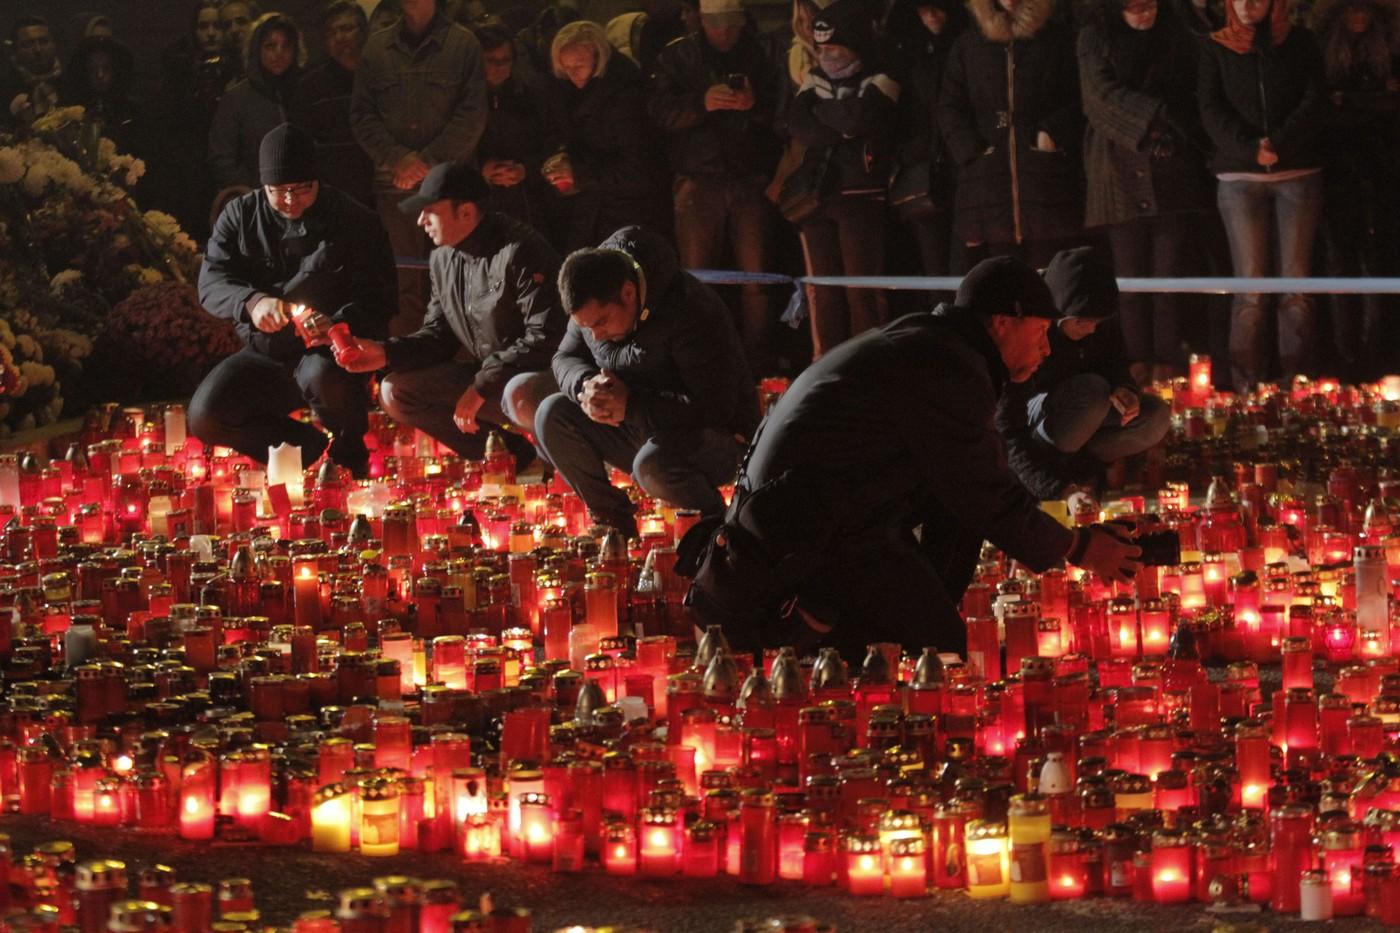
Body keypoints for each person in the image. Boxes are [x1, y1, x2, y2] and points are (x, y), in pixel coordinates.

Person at [683, 256, 1144, 658]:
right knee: (938, 648)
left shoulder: (937, 346)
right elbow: (982, 491)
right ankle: (864, 654)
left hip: (825, 514)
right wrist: (1078, 548)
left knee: (950, 543)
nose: (1047, 347)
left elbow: (970, 485)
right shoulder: (944, 366)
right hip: (796, 538)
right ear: (1003, 323)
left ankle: (880, 637)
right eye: (1041, 331)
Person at [192, 123, 396, 477]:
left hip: (328, 354)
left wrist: (336, 325)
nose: (290, 200)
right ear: (264, 185)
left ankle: (350, 459)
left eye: (302, 189)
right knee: (206, 415)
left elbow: (381, 298)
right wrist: (252, 302)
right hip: (265, 352)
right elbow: (212, 281)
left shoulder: (355, 220)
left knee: (323, 376)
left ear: (318, 180)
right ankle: (306, 450)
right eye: (279, 191)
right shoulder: (240, 216)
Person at [332, 162, 565, 468]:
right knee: (395, 390)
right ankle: (507, 456)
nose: (420, 221)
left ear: (466, 212)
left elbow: (546, 336)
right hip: (491, 377)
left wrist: (481, 386)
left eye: (430, 212)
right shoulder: (443, 258)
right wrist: (386, 353)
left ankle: (562, 465)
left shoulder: (520, 250)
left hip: (540, 378)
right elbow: (438, 335)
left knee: (518, 394)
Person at [535, 226, 759, 539]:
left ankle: (717, 534)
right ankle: (614, 523)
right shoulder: (593, 294)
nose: (595, 335)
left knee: (652, 465)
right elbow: (564, 357)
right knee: (551, 414)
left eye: (601, 322)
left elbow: (715, 407)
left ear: (628, 293)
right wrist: (587, 386)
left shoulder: (691, 310)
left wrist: (631, 406)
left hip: (712, 440)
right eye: (585, 327)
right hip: (641, 428)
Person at [1078, 0, 1212, 383]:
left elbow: (1194, 87)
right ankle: (1135, 366)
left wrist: (1178, 123)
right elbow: (1098, 97)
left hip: (1172, 170)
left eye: (1149, 5)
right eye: (1134, 7)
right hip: (1117, 170)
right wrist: (1155, 114)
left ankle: (1167, 366)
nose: (1144, 14)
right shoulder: (1095, 37)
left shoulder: (1177, 33)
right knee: (1130, 281)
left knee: (1168, 280)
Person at [649, 0, 786, 373]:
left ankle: (759, 364)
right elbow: (657, 111)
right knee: (698, 278)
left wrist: (755, 105)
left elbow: (784, 111)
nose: (724, 31)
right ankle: (701, 361)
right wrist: (701, 103)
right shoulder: (678, 55)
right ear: (701, 20)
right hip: (698, 178)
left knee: (757, 280)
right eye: (715, 23)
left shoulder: (763, 52)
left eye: (731, 23)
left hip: (750, 177)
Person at [1199, 0, 1326, 391]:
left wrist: (1280, 144)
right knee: (1250, 288)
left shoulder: (1301, 42)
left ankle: (1296, 387)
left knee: (1296, 286)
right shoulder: (1216, 46)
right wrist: (1250, 149)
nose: (1247, 4)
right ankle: (1245, 388)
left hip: (1297, 170)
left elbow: (1314, 98)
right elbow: (1210, 108)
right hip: (1240, 175)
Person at [351, 0, 489, 336]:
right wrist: (396, 158)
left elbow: (473, 114)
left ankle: (464, 353)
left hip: (451, 188)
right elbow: (362, 115)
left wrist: (429, 163)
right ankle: (409, 355)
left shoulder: (463, 44)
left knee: (460, 272)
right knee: (405, 284)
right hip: (394, 185)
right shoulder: (376, 48)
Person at [996, 247, 1171, 501]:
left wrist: (1125, 389)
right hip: (1036, 419)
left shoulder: (1097, 312)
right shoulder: (1028, 323)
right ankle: (1055, 470)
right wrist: (1057, 488)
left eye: (1097, 323)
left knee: (1155, 416)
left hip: (1083, 415)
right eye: (1082, 322)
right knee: (1092, 393)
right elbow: (1007, 428)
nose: (1092, 330)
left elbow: (1114, 360)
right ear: (1058, 313)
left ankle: (1080, 469)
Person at [785, 0, 900, 358]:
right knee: (822, 290)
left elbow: (861, 119)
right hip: (816, 198)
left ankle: (868, 365)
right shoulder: (813, 78)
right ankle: (825, 364)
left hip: (861, 195)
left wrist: (823, 113)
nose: (827, 56)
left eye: (834, 47)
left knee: (861, 290)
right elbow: (799, 124)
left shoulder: (881, 78)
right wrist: (840, 123)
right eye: (821, 49)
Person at [938, 0, 1083, 269]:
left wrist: (1051, 132)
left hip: (1044, 176)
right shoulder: (969, 44)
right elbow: (950, 105)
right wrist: (971, 151)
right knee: (1003, 278)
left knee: (1047, 276)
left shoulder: (1056, 39)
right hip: (988, 179)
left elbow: (1078, 98)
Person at [1312, 0, 1400, 381]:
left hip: (1381, 170)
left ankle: (1374, 350)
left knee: (1377, 259)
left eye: (1364, 12)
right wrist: (1369, 101)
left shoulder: (1387, 55)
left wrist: (1350, 100)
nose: (1359, 18)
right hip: (1338, 170)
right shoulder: (1325, 57)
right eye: (1353, 11)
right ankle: (1345, 351)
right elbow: (1322, 107)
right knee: (1339, 259)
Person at [539, 21, 669, 251]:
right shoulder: (570, 93)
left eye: (579, 65)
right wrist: (561, 157)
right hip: (596, 208)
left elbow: (639, 167)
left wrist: (580, 173)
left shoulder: (627, 97)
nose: (572, 74)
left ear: (598, 58)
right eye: (566, 68)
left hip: (628, 213)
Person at [885, 0, 967, 279]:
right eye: (922, 8)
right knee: (933, 263)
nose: (931, 15)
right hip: (923, 168)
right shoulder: (905, 54)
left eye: (938, 7)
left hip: (960, 165)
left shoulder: (966, 46)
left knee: (963, 263)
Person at [157, 1, 237, 242]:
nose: (211, 33)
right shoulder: (179, 70)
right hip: (192, 172)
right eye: (203, 26)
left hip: (231, 167)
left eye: (217, 26)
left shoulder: (239, 66)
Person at [472, 23, 557, 242]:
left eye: (506, 59)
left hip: (526, 201)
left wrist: (525, 168)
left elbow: (549, 142)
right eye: (491, 60)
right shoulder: (462, 99)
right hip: (477, 201)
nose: (499, 66)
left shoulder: (530, 96)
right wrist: (481, 168)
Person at [291, 1, 375, 208]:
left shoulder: (381, 75)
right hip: (335, 197)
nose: (339, 38)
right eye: (331, 33)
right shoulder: (311, 87)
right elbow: (301, 147)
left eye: (346, 28)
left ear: (364, 32)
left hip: (385, 188)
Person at [209, 13, 305, 191]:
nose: (279, 53)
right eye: (270, 46)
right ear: (257, 49)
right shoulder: (236, 99)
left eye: (286, 46)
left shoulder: (305, 93)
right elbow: (223, 159)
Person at [3, 15, 62, 123]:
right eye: (28, 44)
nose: (37, 49)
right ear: (16, 51)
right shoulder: (5, 89)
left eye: (43, 41)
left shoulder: (73, 79)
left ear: (54, 44)